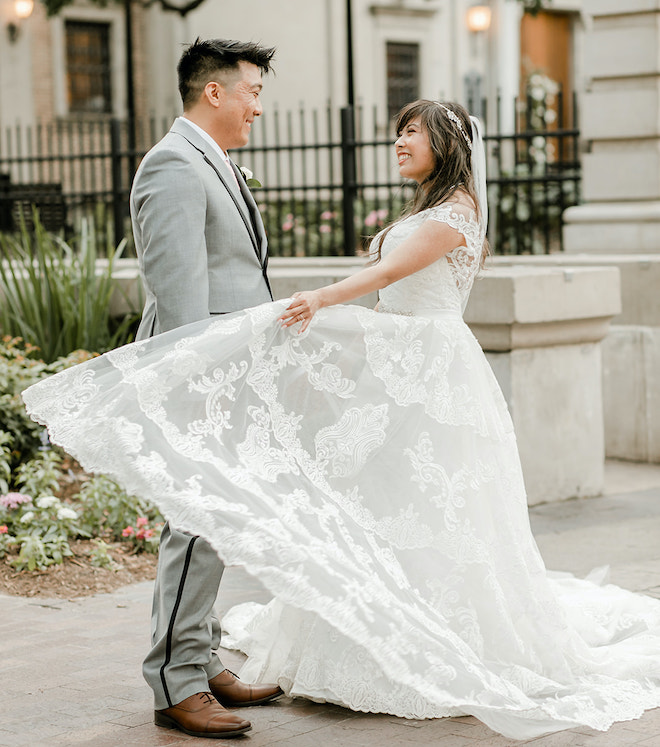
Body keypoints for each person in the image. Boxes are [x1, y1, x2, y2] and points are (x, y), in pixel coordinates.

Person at [22, 99, 660, 741]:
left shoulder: (457, 212)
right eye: (399, 132)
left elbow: (388, 273)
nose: (400, 142)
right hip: (400, 370)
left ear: (448, 142)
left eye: (414, 132)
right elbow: (390, 292)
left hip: (434, 378)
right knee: (378, 509)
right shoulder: (425, 210)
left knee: (430, 511)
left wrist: (318, 299)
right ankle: (355, 641)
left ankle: (428, 646)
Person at [126, 38, 282, 739]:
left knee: (213, 526)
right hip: (200, 378)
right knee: (194, 527)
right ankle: (175, 681)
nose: (258, 104)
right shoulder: (172, 164)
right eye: (251, 90)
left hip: (232, 374)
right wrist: (199, 390)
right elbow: (180, 296)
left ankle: (202, 655)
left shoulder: (212, 160)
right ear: (212, 91)